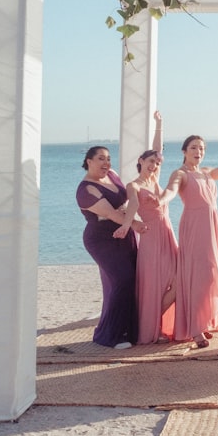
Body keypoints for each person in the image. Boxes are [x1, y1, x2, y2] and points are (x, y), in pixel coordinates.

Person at [160, 132, 218, 349]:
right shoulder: (181, 173)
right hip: (195, 230)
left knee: (210, 276)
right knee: (196, 278)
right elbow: (171, 190)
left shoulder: (207, 172)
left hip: (212, 229)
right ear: (184, 152)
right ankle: (195, 329)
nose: (199, 152)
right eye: (194, 148)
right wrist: (162, 199)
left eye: (202, 148)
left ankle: (204, 321)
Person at [76, 145, 147, 349]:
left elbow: (128, 202)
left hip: (124, 235)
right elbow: (113, 214)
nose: (106, 163)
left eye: (108, 158)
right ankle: (109, 336)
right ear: (89, 161)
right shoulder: (86, 189)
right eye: (100, 159)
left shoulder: (113, 175)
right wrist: (135, 224)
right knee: (122, 279)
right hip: (101, 239)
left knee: (132, 279)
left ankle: (130, 330)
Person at [120, 111, 179, 344]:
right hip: (151, 238)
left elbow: (157, 149)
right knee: (153, 285)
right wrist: (128, 225)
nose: (154, 165)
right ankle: (150, 326)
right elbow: (132, 205)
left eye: (156, 162)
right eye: (150, 161)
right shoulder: (133, 185)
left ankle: (156, 320)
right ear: (140, 162)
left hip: (167, 233)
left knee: (178, 279)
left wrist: (160, 124)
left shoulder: (154, 180)